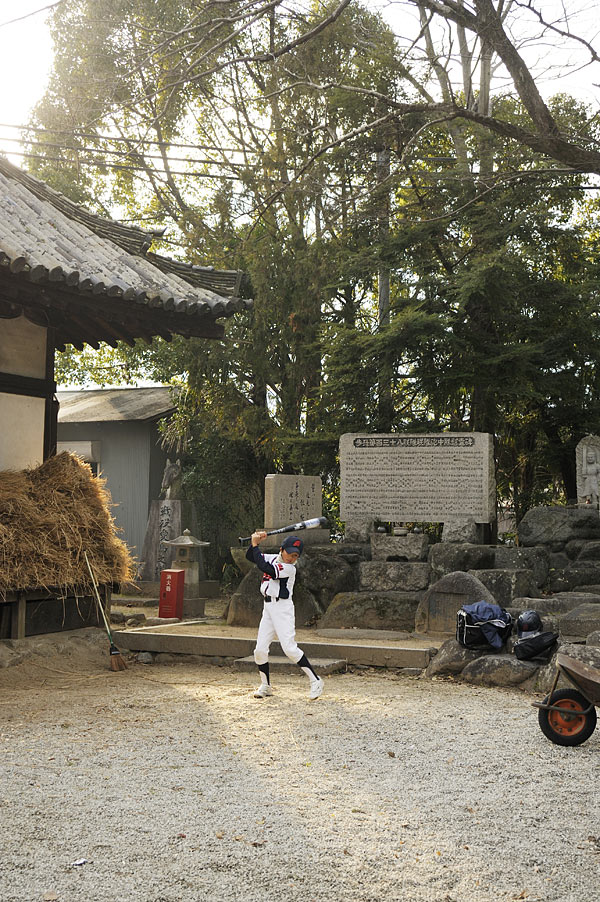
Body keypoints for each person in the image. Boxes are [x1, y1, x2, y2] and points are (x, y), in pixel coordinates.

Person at [246, 530, 324, 700]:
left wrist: (255, 545)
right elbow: (252, 557)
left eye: (296, 555)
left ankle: (316, 680)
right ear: (282, 550)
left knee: (289, 648)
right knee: (259, 650)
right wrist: (255, 542)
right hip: (268, 608)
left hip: (282, 609)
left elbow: (266, 568)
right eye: (290, 553)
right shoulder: (273, 557)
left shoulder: (289, 568)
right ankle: (265, 686)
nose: (292, 557)